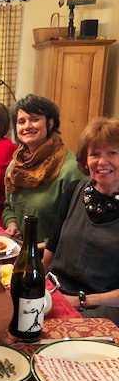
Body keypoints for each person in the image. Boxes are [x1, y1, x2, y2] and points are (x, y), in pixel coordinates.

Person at [43, 118, 119, 323]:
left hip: (103, 308)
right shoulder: (74, 190)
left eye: (112, 153)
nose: (102, 162)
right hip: (55, 293)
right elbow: (52, 247)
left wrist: (80, 301)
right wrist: (35, 283)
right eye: (95, 154)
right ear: (86, 160)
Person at [2, 94, 85, 245]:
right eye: (21, 121)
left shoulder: (70, 169)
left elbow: (76, 225)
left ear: (50, 123)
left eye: (34, 119)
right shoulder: (15, 166)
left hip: (52, 254)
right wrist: (12, 225)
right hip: (18, 248)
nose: (27, 126)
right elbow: (8, 206)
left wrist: (37, 247)